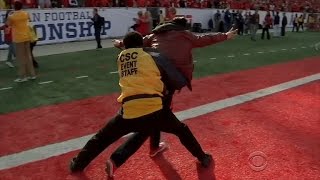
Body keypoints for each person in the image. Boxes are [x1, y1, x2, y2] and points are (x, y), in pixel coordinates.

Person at [69, 32, 213, 177]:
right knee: (182, 131)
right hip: (154, 108)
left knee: (101, 138)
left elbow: (132, 54)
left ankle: (78, 164)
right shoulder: (153, 56)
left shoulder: (121, 58)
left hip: (129, 110)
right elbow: (173, 75)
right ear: (142, 44)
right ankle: (203, 158)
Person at [109, 17, 238, 177]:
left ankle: (154, 148)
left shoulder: (156, 34)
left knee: (155, 118)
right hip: (168, 83)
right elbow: (205, 39)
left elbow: (137, 43)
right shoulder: (184, 35)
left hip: (154, 80)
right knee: (160, 123)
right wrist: (225, 35)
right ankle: (117, 159)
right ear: (182, 27)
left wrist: (121, 44)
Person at [6, 1, 36, 82]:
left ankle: (23, 76)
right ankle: (32, 75)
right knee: (28, 56)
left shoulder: (11, 16)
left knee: (21, 58)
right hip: (27, 36)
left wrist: (9, 15)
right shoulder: (26, 13)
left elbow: (7, 24)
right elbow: (29, 20)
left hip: (18, 38)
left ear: (14, 6)